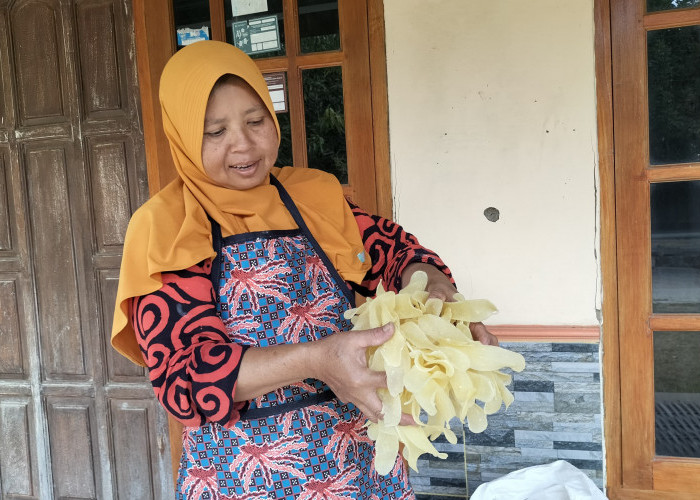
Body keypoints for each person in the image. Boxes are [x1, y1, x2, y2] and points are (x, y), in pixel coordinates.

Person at [111, 40, 497, 499]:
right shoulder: (166, 226)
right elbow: (185, 380)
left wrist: (437, 291)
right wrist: (318, 360)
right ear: (180, 135)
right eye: (215, 131)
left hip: (360, 461)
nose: (244, 144)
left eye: (256, 121)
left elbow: (392, 253)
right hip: (247, 474)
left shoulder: (313, 196)